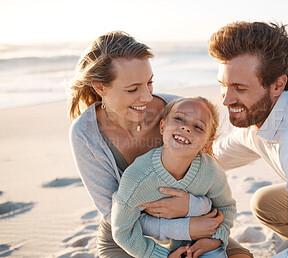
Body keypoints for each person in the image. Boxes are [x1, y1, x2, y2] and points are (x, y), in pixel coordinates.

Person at [68, 31, 252, 257]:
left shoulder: (178, 112)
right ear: (100, 88)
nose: (145, 97)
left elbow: (210, 183)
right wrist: (178, 229)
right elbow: (112, 213)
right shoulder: (85, 134)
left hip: (191, 219)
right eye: (133, 89)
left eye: (149, 83)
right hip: (129, 232)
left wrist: (190, 210)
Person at [208, 21, 288, 257]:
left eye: (239, 88)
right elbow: (211, 159)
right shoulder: (262, 114)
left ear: (278, 85)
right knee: (264, 203)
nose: (226, 100)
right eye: (224, 85)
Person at [111, 97, 236, 258]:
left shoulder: (210, 170)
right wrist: (161, 255)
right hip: (159, 250)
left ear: (206, 145)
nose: (186, 127)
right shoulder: (137, 178)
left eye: (198, 126)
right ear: (162, 126)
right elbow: (122, 231)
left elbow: (226, 207)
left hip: (204, 244)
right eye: (179, 119)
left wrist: (216, 239)